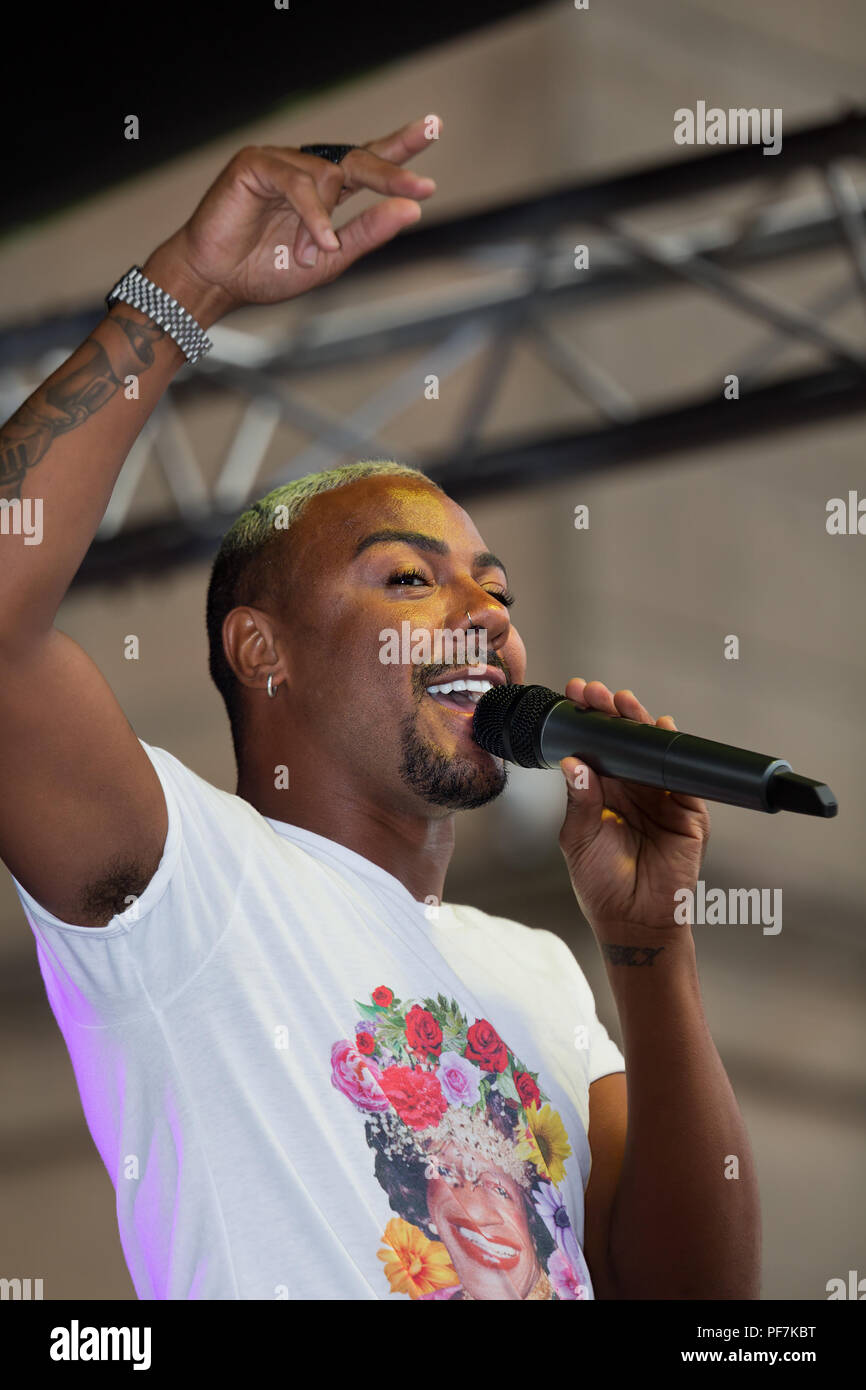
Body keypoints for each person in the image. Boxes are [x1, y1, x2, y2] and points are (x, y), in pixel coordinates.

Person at [0, 114, 760, 1300]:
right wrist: (185, 286)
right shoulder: (191, 883)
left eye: (495, 589)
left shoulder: (535, 972)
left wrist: (647, 948)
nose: (486, 613)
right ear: (262, 652)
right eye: (409, 579)